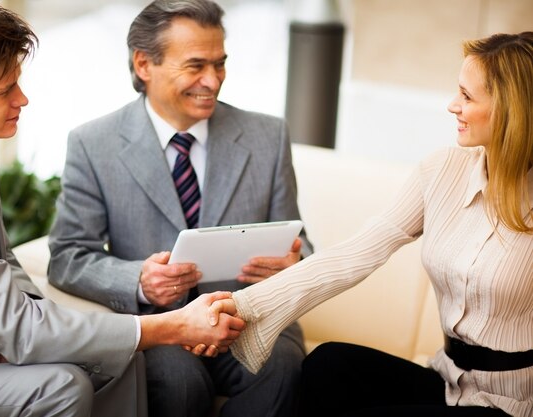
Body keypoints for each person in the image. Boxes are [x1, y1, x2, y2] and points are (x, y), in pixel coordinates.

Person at [0, 1, 244, 416]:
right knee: (60, 386)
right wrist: (170, 326)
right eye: (4, 91)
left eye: (18, 83)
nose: (22, 99)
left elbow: (2, 262)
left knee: (117, 357)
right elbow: (25, 312)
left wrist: (22, 332)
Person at [208, 31, 533, 417]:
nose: (452, 105)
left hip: (513, 405)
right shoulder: (442, 170)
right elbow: (355, 254)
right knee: (328, 365)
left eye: (467, 96)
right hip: (449, 383)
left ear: (511, 110)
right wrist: (241, 305)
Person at [47, 0, 313, 416]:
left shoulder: (268, 136)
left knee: (283, 366)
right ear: (143, 64)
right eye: (195, 66)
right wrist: (138, 279)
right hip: (162, 324)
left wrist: (292, 265)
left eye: (220, 64)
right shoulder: (92, 144)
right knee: (175, 380)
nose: (213, 80)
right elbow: (66, 258)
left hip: (251, 319)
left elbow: (304, 249)